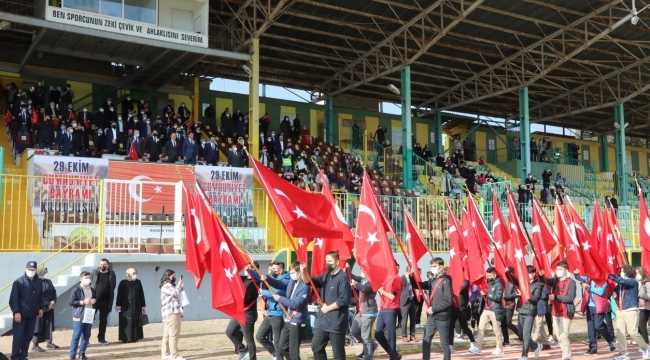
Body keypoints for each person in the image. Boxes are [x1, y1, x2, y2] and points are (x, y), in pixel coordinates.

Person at [254, 261, 311, 360]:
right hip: (287, 319)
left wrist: (280, 298)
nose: (291, 275)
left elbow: (295, 304)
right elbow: (279, 283)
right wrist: (267, 278)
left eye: (293, 273)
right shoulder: (291, 282)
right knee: (281, 347)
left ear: (299, 273)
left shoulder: (305, 287)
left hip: (297, 321)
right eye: (290, 273)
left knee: (293, 350)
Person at [303, 251, 352, 360]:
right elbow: (309, 281)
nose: (327, 263)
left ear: (337, 262)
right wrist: (303, 272)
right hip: (322, 322)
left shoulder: (343, 278)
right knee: (316, 346)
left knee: (338, 354)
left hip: (336, 323)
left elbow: (344, 300)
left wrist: (327, 308)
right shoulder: (325, 276)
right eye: (326, 261)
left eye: (330, 261)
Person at [610, 264, 650, 360]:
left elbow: (622, 281)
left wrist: (609, 274)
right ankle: (624, 353)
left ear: (628, 272)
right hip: (620, 310)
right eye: (620, 271)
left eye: (623, 271)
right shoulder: (620, 284)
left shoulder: (633, 282)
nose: (621, 273)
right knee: (620, 333)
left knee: (632, 332)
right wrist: (613, 293)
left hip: (631, 310)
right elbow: (613, 290)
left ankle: (645, 347)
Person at [574, 269, 616, 355]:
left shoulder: (603, 281)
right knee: (591, 329)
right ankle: (593, 348)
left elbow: (600, 292)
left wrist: (589, 287)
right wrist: (576, 274)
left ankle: (611, 340)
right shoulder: (589, 279)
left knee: (598, 326)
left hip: (599, 307)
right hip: (590, 307)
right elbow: (579, 278)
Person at [541, 261, 576, 360]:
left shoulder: (571, 282)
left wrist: (556, 297)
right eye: (557, 269)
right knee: (559, 337)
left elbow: (570, 298)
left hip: (565, 312)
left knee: (564, 336)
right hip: (555, 312)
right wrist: (541, 276)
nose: (558, 271)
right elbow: (546, 281)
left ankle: (568, 357)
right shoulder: (555, 280)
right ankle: (564, 355)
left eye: (560, 269)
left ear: (566, 270)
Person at [227, 262, 262, 360]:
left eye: (250, 268)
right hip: (239, 312)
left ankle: (252, 358)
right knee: (229, 331)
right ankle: (242, 350)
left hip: (248, 314)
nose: (247, 269)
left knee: (248, 338)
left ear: (255, 270)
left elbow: (247, 299)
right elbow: (232, 275)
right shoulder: (244, 279)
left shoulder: (256, 282)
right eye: (247, 267)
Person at [10, 261, 44, 360]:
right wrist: (16, 312)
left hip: (32, 314)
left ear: (36, 270)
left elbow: (40, 296)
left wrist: (41, 307)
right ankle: (15, 356)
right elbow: (13, 299)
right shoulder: (19, 282)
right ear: (25, 269)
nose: (31, 271)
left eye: (33, 270)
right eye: (29, 269)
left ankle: (23, 356)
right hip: (20, 315)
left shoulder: (39, 282)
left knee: (28, 337)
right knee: (18, 337)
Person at [420, 257, 452, 360]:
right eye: (431, 266)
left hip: (442, 317)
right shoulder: (432, 281)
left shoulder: (446, 281)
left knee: (444, 344)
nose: (432, 268)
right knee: (426, 341)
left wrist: (434, 309)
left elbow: (448, 301)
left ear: (441, 267)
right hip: (431, 317)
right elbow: (418, 285)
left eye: (434, 266)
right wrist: (411, 276)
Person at [255, 262, 289, 360]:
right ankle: (274, 353)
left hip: (278, 314)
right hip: (270, 313)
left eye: (274, 269)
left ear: (280, 270)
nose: (271, 270)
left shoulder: (286, 280)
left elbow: (277, 293)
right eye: (271, 268)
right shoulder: (273, 280)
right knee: (260, 336)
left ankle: (280, 358)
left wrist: (263, 292)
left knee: (277, 341)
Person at [470, 267, 504, 355]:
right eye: (487, 275)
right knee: (481, 327)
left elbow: (498, 297)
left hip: (495, 309)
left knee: (496, 330)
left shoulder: (499, 284)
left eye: (489, 275)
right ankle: (478, 347)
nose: (488, 277)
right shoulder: (487, 283)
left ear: (494, 274)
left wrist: (487, 294)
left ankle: (499, 347)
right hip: (486, 309)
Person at [350, 267, 379, 360]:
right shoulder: (363, 280)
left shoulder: (373, 281)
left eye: (363, 270)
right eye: (361, 270)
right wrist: (346, 269)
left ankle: (368, 356)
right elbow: (353, 276)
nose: (362, 271)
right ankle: (372, 345)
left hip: (369, 312)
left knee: (365, 336)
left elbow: (364, 288)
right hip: (362, 311)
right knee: (354, 331)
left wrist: (355, 284)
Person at [375, 262, 402, 360]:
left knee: (391, 334)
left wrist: (381, 291)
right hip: (383, 309)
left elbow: (392, 296)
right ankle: (393, 354)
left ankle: (393, 357)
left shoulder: (397, 278)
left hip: (391, 309)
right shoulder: (385, 278)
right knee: (378, 334)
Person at [447, 268, 478, 353]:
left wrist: (453, 283)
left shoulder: (466, 281)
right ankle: (450, 344)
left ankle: (473, 342)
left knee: (464, 327)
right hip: (453, 307)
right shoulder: (450, 280)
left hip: (461, 307)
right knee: (450, 327)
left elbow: (461, 289)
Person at [69, 271, 97, 360]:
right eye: (86, 278)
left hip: (89, 314)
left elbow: (95, 297)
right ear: (81, 279)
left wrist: (94, 300)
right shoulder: (76, 289)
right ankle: (72, 355)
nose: (88, 279)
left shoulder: (92, 289)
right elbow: (71, 302)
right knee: (76, 335)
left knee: (86, 335)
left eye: (89, 278)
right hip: (79, 315)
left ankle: (82, 353)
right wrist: (83, 302)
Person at [160, 269, 185, 360]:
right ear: (168, 276)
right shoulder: (167, 285)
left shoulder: (168, 285)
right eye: (173, 276)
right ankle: (174, 355)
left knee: (167, 335)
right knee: (174, 335)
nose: (174, 278)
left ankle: (165, 354)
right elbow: (175, 293)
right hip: (172, 312)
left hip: (169, 313)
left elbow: (177, 294)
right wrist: (179, 284)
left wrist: (181, 286)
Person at [115, 268, 146, 343]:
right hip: (125, 306)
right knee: (126, 321)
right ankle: (125, 338)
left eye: (135, 273)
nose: (135, 274)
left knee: (135, 320)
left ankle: (135, 337)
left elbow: (141, 293)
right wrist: (118, 305)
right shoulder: (123, 282)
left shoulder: (138, 282)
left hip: (136, 305)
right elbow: (119, 294)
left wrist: (143, 304)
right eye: (133, 273)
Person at [32, 266, 58, 353]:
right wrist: (47, 303)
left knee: (48, 325)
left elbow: (54, 292)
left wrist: (53, 301)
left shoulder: (49, 281)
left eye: (46, 272)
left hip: (50, 307)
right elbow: (38, 295)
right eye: (44, 272)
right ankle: (35, 345)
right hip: (40, 308)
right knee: (38, 326)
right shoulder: (36, 282)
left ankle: (49, 342)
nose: (46, 274)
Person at [90, 258, 116, 345]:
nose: (102, 266)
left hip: (106, 302)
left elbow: (113, 286)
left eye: (104, 265)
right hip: (94, 301)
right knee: (89, 320)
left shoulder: (112, 274)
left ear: (108, 265)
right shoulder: (94, 272)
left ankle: (101, 338)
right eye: (101, 264)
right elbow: (91, 284)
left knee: (103, 321)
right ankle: (86, 339)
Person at [399, 266, 417, 342]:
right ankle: (404, 335)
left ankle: (412, 335)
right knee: (404, 319)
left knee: (413, 318)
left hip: (412, 299)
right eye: (413, 272)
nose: (414, 273)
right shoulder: (402, 278)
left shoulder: (412, 279)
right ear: (409, 270)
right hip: (404, 301)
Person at [638, 267, 650, 345]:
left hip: (646, 307)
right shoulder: (639, 283)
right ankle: (644, 341)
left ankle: (645, 344)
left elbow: (649, 295)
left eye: (637, 273)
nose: (636, 275)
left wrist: (639, 295)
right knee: (638, 327)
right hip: (639, 307)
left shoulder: (647, 283)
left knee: (642, 326)